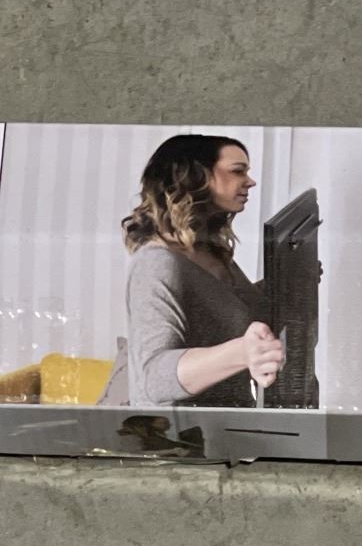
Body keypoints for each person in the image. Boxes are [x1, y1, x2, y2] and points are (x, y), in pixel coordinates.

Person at [121, 135, 283, 408]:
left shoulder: (208, 250)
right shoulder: (157, 262)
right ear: (195, 178)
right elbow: (154, 378)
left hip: (227, 426)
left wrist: (287, 281)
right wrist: (242, 352)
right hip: (183, 432)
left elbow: (228, 312)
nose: (250, 181)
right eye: (237, 171)